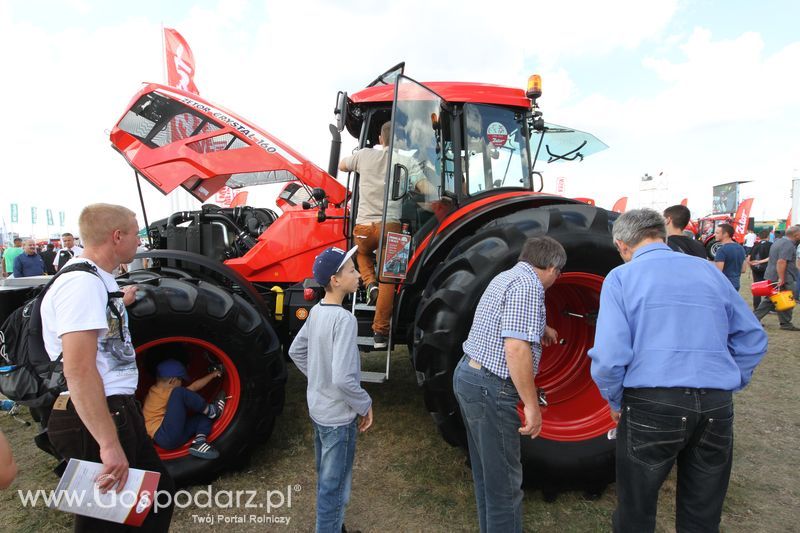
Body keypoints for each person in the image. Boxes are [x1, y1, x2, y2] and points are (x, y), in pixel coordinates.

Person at [588, 209, 767, 533]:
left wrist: (615, 402)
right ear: (663, 235)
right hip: (715, 403)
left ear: (621, 245)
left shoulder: (621, 277)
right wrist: (731, 378)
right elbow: (752, 336)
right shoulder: (707, 271)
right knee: (702, 512)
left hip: (651, 404)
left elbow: (609, 357)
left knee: (636, 511)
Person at [42, 204, 174, 531]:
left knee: (152, 499)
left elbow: (98, 328)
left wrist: (119, 302)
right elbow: (79, 369)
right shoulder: (81, 285)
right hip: (98, 414)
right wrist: (109, 443)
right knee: (108, 518)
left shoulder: (98, 282)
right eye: (135, 234)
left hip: (114, 409)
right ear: (117, 237)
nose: (140, 244)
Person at [454, 236, 563, 533]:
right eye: (558, 273)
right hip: (491, 387)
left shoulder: (508, 276)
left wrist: (542, 327)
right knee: (505, 485)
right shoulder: (530, 287)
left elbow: (505, 317)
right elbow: (515, 348)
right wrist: (531, 406)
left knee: (488, 476)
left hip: (469, 376)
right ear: (552, 268)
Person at [288, 246, 373, 533]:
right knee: (333, 487)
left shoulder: (317, 313)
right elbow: (344, 378)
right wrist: (365, 404)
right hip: (338, 418)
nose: (358, 274)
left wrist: (317, 378)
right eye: (351, 270)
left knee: (327, 476)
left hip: (319, 412)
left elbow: (295, 351)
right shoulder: (344, 319)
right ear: (335, 280)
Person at [339, 121, 433, 348]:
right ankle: (380, 334)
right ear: (400, 141)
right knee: (389, 280)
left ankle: (370, 283)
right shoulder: (407, 161)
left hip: (363, 228)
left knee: (360, 254)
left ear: (381, 139)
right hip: (391, 226)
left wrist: (361, 160)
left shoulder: (363, 155)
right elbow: (425, 189)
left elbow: (342, 165)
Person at [142, 359, 225, 459]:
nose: (182, 383)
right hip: (163, 434)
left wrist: (213, 375)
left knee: (202, 416)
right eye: (181, 380)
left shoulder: (153, 391)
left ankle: (199, 442)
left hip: (169, 438)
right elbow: (193, 387)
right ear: (172, 381)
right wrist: (213, 374)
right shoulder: (166, 393)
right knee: (180, 392)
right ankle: (212, 411)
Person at [753, 225, 800, 331]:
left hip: (773, 274)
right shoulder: (788, 244)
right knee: (786, 299)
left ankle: (754, 318)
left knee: (771, 299)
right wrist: (781, 278)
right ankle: (785, 323)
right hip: (783, 276)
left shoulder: (778, 241)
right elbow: (781, 261)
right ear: (796, 235)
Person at [713, 223, 746, 290]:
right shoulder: (741, 248)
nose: (714, 235)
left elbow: (718, 272)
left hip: (724, 285)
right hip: (736, 284)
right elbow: (743, 269)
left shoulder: (722, 250)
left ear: (726, 234)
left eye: (717, 233)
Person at [747, 230, 772, 308]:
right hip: (766, 268)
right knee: (769, 287)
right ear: (768, 236)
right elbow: (771, 257)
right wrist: (760, 262)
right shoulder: (770, 245)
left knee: (757, 287)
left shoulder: (755, 245)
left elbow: (748, 258)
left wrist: (751, 265)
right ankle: (768, 306)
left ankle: (756, 305)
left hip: (755, 269)